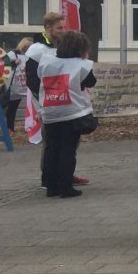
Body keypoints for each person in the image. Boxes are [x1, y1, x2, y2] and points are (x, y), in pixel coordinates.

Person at [26, 12, 90, 188]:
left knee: (69, 144)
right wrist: (42, 103)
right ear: (48, 28)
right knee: (51, 144)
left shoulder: (65, 47)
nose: (63, 31)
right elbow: (32, 80)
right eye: (59, 28)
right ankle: (50, 179)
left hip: (68, 103)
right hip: (49, 103)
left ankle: (65, 175)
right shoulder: (37, 50)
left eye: (64, 28)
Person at [36, 31, 97, 199]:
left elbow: (38, 78)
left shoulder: (46, 62)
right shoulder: (82, 65)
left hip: (50, 110)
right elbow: (90, 82)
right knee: (68, 150)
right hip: (72, 111)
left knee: (51, 148)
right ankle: (66, 187)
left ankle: (51, 186)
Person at [1, 37, 32, 130]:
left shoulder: (29, 55)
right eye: (27, 47)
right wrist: (14, 63)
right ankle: (7, 126)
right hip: (12, 84)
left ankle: (10, 127)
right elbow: (2, 63)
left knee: (13, 108)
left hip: (21, 86)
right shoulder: (13, 53)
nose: (28, 49)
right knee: (8, 107)